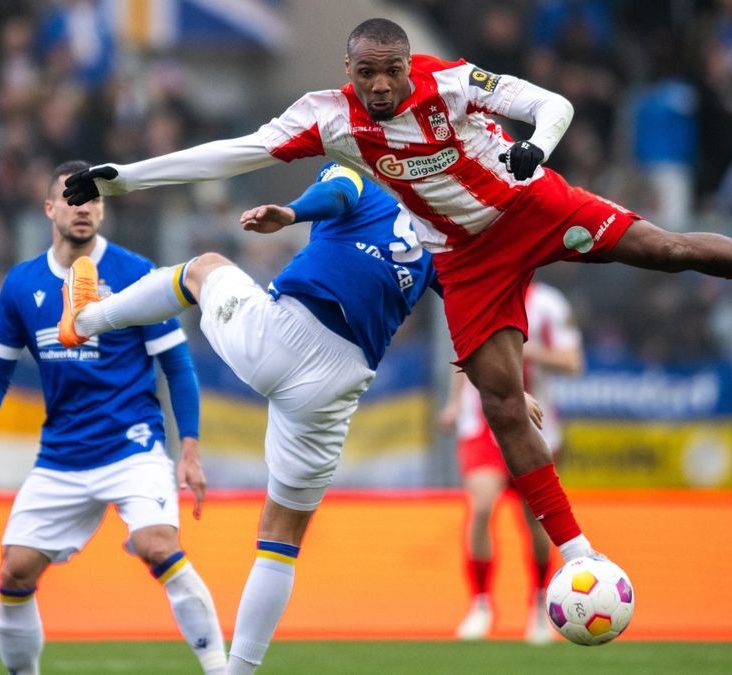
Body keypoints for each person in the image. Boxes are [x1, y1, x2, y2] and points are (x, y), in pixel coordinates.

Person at [63, 17, 732, 571]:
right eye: (367, 74)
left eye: (390, 71)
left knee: (667, 248)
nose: (382, 86)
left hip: (530, 205)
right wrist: (126, 178)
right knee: (502, 404)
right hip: (463, 257)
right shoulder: (333, 117)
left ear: (404, 66)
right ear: (347, 71)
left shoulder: (451, 81)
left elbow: (551, 104)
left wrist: (539, 148)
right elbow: (236, 151)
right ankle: (576, 554)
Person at [58, 163, 449, 673]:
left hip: (281, 336)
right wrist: (506, 390)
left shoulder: (360, 169)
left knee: (203, 268)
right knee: (282, 538)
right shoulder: (444, 237)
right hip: (339, 383)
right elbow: (468, 314)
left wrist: (290, 212)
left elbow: (334, 193)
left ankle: (88, 319)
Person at [0, 161, 226, 674]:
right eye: (71, 198)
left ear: (103, 207)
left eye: (92, 198)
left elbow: (177, 366)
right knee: (15, 572)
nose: (84, 207)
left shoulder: (136, 273)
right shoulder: (20, 285)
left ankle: (221, 671)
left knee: (157, 544)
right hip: (63, 456)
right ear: (49, 208)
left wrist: (189, 448)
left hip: (132, 446)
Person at [439, 281, 583, 644]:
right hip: (482, 420)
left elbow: (572, 362)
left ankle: (539, 604)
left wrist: (523, 351)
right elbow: (464, 354)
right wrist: (455, 402)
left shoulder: (549, 302)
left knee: (535, 519)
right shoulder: (481, 290)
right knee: (482, 507)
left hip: (536, 423)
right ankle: (481, 604)